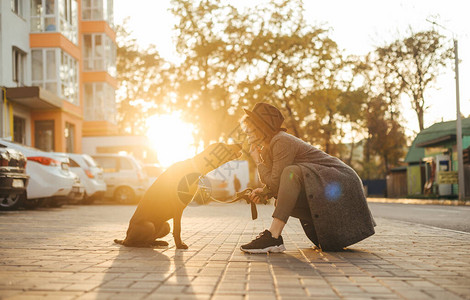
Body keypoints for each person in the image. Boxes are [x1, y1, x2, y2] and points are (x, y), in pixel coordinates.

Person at [239, 102, 376, 253]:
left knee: (291, 172)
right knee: (283, 191)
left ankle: (273, 236)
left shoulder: (281, 140)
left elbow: (278, 181)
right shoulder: (269, 148)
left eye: (250, 128)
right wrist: (265, 192)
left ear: (262, 128)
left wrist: (257, 161)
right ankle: (328, 234)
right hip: (325, 184)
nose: (247, 132)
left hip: (342, 181)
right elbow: (276, 184)